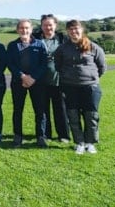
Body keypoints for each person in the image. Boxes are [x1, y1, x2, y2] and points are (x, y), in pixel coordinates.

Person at [54, 20, 106, 154]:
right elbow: (58, 66)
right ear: (67, 31)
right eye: (70, 29)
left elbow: (102, 67)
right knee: (73, 116)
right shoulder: (62, 49)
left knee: (91, 116)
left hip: (90, 88)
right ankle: (79, 143)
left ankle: (90, 143)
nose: (73, 31)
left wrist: (90, 78)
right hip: (70, 87)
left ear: (82, 30)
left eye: (76, 29)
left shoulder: (94, 47)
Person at [7, 19, 48, 148]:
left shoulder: (40, 44)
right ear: (18, 30)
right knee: (18, 110)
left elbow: (44, 64)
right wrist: (23, 76)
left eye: (27, 28)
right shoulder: (12, 45)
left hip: (37, 82)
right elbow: (10, 64)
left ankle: (41, 137)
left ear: (31, 30)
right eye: (21, 28)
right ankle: (18, 136)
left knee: (40, 111)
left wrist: (33, 78)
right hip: (18, 82)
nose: (24, 30)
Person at [33, 14, 70, 143]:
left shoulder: (62, 39)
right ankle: (45, 134)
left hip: (58, 80)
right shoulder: (35, 38)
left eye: (50, 25)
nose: (48, 27)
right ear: (41, 26)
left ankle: (63, 135)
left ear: (55, 25)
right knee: (42, 110)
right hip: (40, 81)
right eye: (45, 25)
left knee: (60, 109)